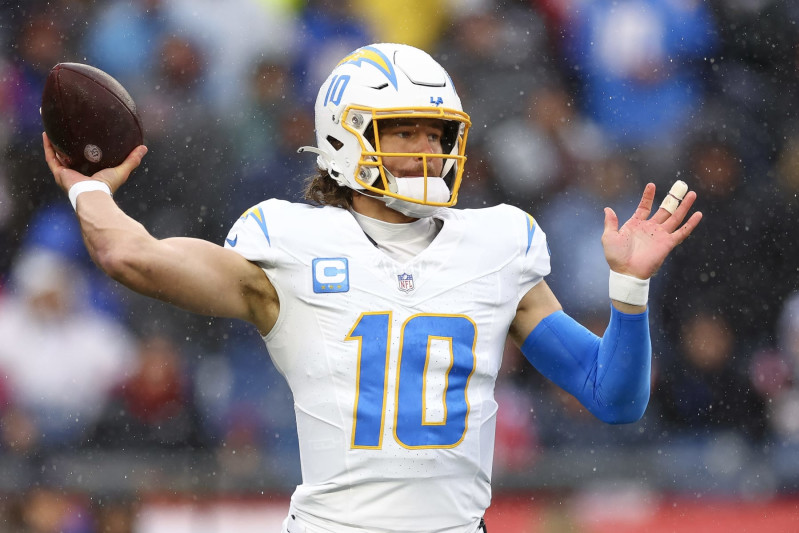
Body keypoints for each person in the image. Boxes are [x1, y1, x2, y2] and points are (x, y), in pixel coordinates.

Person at [43, 43, 701, 533]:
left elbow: (612, 397)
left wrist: (629, 292)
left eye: (435, 133)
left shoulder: (498, 243)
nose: (425, 149)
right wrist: (89, 187)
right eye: (403, 131)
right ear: (344, 136)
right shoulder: (290, 243)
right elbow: (134, 257)